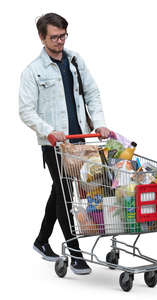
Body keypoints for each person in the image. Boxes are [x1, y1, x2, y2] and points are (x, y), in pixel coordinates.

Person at [19, 12, 110, 275]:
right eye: (54, 37)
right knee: (65, 192)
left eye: (63, 35)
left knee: (62, 189)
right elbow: (26, 110)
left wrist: (100, 123)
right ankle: (76, 252)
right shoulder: (33, 72)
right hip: (55, 145)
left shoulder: (75, 61)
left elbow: (91, 92)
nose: (60, 41)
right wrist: (49, 132)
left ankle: (41, 241)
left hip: (81, 140)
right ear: (41, 37)